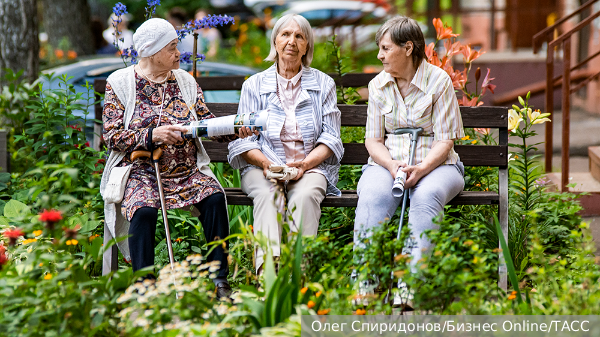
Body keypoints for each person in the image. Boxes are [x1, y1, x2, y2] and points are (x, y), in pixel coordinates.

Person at [100, 18, 240, 298]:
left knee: (213, 197)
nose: (179, 52)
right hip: (141, 172)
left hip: (186, 172)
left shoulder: (185, 81)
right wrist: (154, 135)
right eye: (173, 47)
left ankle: (220, 280)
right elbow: (112, 136)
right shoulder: (121, 83)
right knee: (144, 210)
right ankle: (145, 285)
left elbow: (204, 121)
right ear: (152, 52)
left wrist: (235, 129)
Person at [353, 16, 465, 306]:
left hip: (438, 165)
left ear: (408, 48)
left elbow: (446, 140)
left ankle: (409, 288)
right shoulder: (378, 85)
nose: (379, 55)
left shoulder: (438, 81)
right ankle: (365, 283)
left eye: (385, 48)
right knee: (372, 196)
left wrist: (422, 168)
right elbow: (373, 141)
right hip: (388, 163)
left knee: (426, 195)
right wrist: (391, 166)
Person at [228, 14, 344, 275]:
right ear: (276, 41)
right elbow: (243, 139)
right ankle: (268, 274)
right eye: (285, 34)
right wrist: (268, 165)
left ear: (306, 47)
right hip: (263, 167)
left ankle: (299, 274)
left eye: (299, 36)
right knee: (269, 195)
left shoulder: (323, 84)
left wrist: (304, 165)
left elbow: (331, 137)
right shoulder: (255, 85)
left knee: (304, 196)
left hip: (309, 167)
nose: (292, 41)